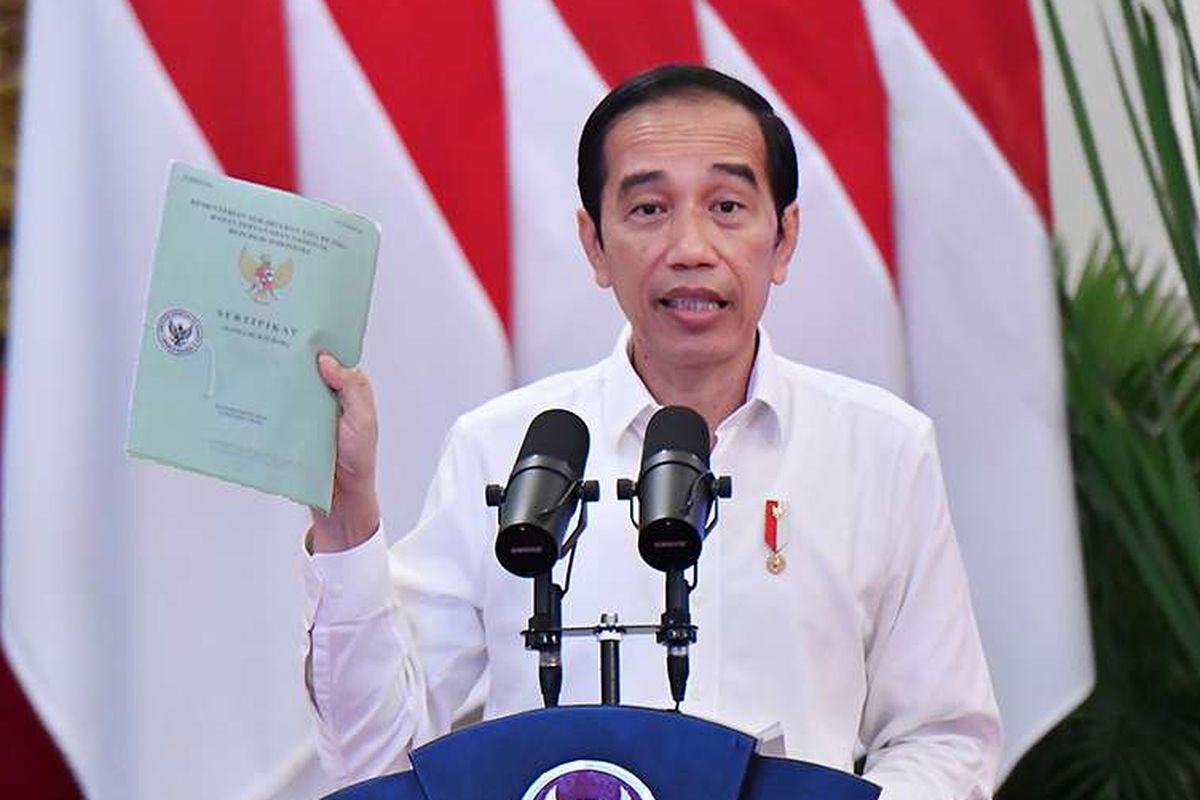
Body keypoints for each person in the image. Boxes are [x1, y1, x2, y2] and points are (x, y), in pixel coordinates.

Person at [304, 65, 1001, 800]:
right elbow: (373, 754)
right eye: (648, 210)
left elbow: (943, 738)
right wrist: (347, 520)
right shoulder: (501, 447)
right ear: (595, 245)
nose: (690, 246)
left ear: (785, 237)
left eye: (728, 206)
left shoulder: (882, 449)